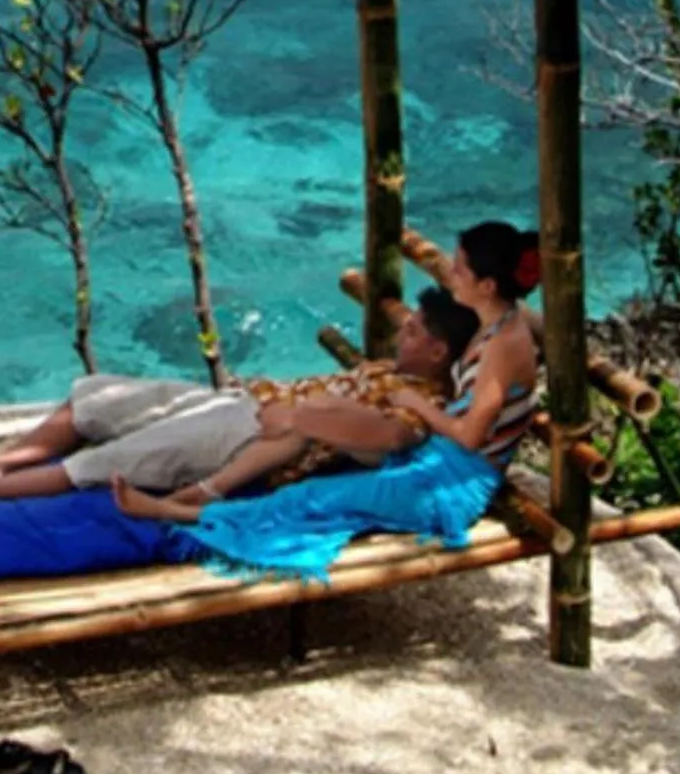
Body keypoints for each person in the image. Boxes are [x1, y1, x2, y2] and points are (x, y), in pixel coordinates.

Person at [110, 221, 542, 581]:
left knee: (316, 499)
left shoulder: (505, 344)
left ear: (486, 286)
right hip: (433, 458)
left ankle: (176, 511)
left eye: (460, 269)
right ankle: (218, 485)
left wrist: (417, 401)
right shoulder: (500, 320)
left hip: (451, 484)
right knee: (334, 442)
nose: (449, 273)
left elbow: (470, 436)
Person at [0, 287, 479, 504]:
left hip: (253, 435)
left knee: (103, 464)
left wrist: (292, 412)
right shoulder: (391, 370)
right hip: (239, 404)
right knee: (100, 395)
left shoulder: (414, 401)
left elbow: (389, 437)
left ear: (439, 355)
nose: (404, 331)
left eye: (417, 332)